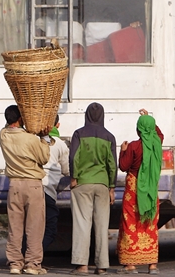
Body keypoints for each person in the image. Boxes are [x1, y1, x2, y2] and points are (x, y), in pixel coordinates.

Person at [0, 105, 51, 275]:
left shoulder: (3, 135)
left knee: (15, 226)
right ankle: (32, 264)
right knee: (34, 227)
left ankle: (14, 263)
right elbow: (44, 157)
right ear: (21, 119)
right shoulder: (30, 139)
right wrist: (44, 138)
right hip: (32, 184)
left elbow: (8, 128)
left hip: (14, 185)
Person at [69, 102, 117, 276]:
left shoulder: (79, 134)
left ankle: (82, 266)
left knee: (82, 224)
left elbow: (74, 156)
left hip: (82, 183)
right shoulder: (109, 136)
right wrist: (112, 187)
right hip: (103, 183)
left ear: (86, 115)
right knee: (102, 225)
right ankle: (102, 265)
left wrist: (73, 177)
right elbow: (112, 164)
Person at [116, 110, 163, 274]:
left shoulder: (134, 146)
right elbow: (159, 134)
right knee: (149, 223)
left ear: (138, 129)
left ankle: (131, 264)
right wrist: (149, 118)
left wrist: (122, 151)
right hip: (150, 190)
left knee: (131, 222)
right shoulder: (157, 144)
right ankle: (152, 264)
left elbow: (123, 166)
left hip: (134, 191)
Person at [42, 115, 70, 251]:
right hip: (47, 191)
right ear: (57, 125)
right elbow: (67, 170)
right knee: (50, 228)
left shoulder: (34, 139)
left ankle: (21, 258)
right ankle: (34, 258)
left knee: (30, 227)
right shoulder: (60, 144)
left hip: (31, 188)